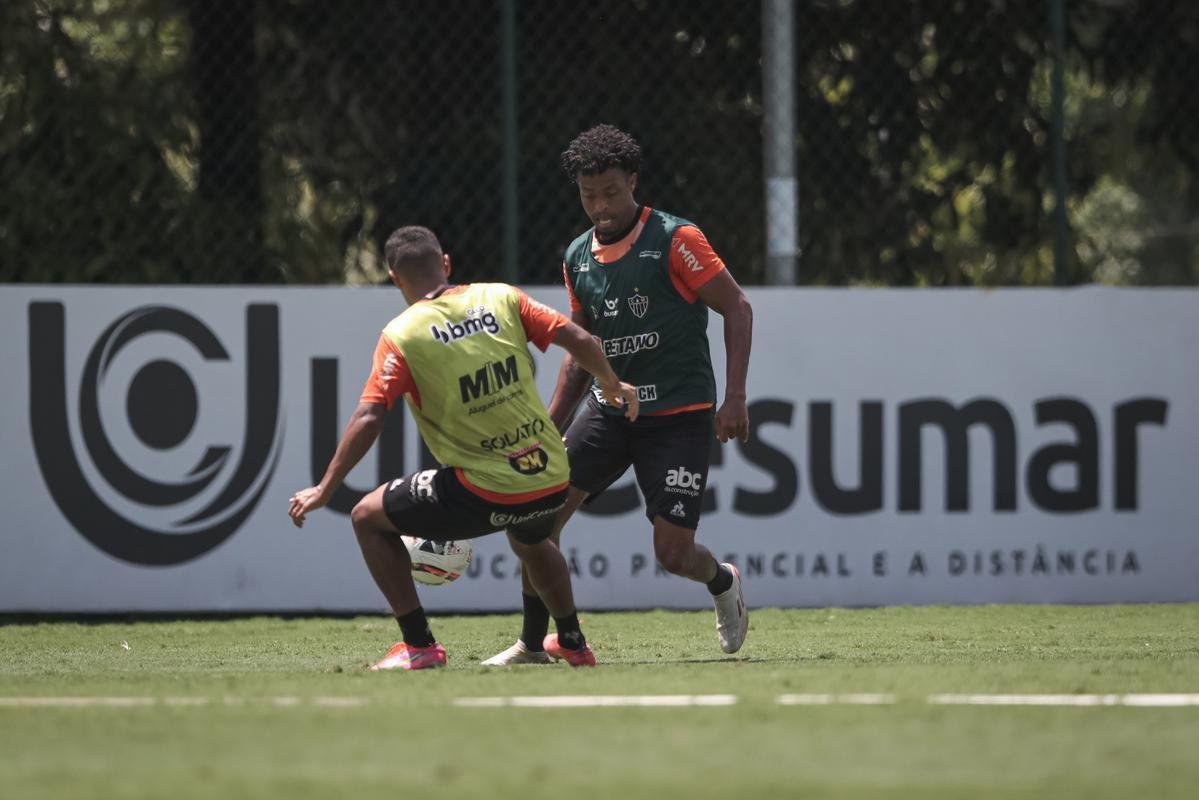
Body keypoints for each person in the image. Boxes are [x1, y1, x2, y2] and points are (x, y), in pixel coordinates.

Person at [289, 225, 639, 670]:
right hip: (551, 477)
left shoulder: (402, 335)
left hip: (483, 490)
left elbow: (370, 416)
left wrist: (324, 488)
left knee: (366, 517)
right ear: (447, 264)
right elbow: (582, 340)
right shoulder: (502, 297)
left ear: (394, 278)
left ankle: (419, 645)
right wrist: (612, 383)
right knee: (533, 540)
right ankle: (571, 641)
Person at [483, 124, 754, 666]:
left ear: (634, 182)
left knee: (673, 554)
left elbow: (738, 308)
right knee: (537, 522)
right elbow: (581, 353)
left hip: (678, 415)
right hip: (609, 413)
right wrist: (547, 427)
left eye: (611, 193)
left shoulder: (678, 240)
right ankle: (534, 644)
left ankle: (722, 581)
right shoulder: (577, 256)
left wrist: (736, 396)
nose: (601, 207)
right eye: (589, 196)